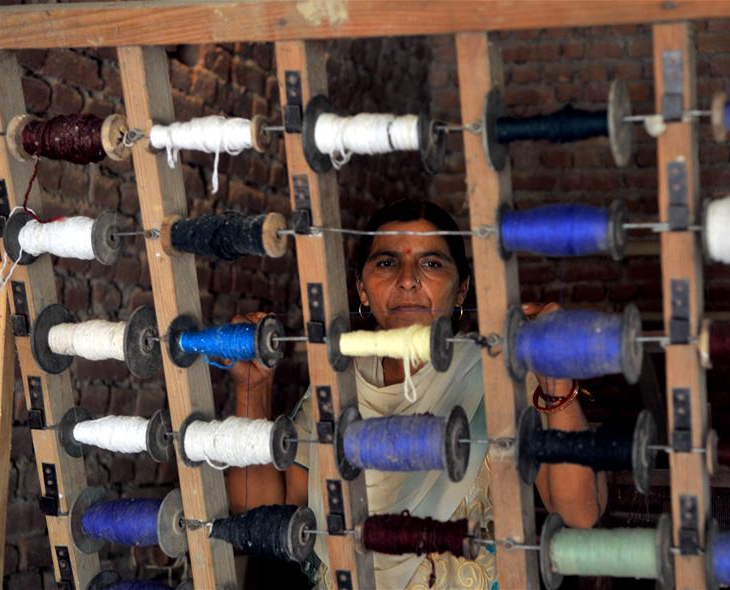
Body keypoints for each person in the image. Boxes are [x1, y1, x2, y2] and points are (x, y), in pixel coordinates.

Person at [227, 199, 607, 589]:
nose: (407, 280)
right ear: (361, 287)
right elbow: (256, 514)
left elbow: (580, 512)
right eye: (387, 262)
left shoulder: (501, 377)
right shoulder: (337, 386)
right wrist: (252, 391)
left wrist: (556, 383)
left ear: (461, 290)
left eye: (432, 263)